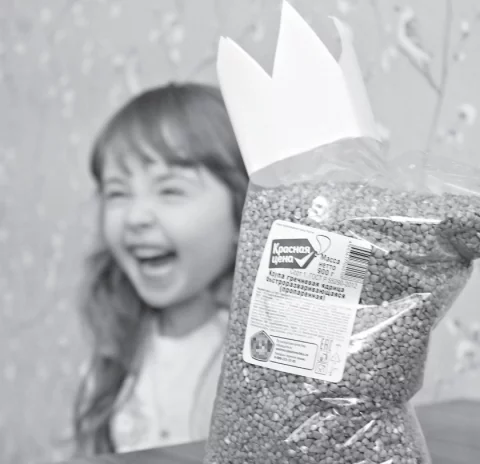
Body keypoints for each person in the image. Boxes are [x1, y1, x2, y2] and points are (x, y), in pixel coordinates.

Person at [73, 83, 248, 456]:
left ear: (242, 211)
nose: (136, 217)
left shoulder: (259, 352)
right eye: (117, 193)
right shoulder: (117, 349)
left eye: (170, 191)